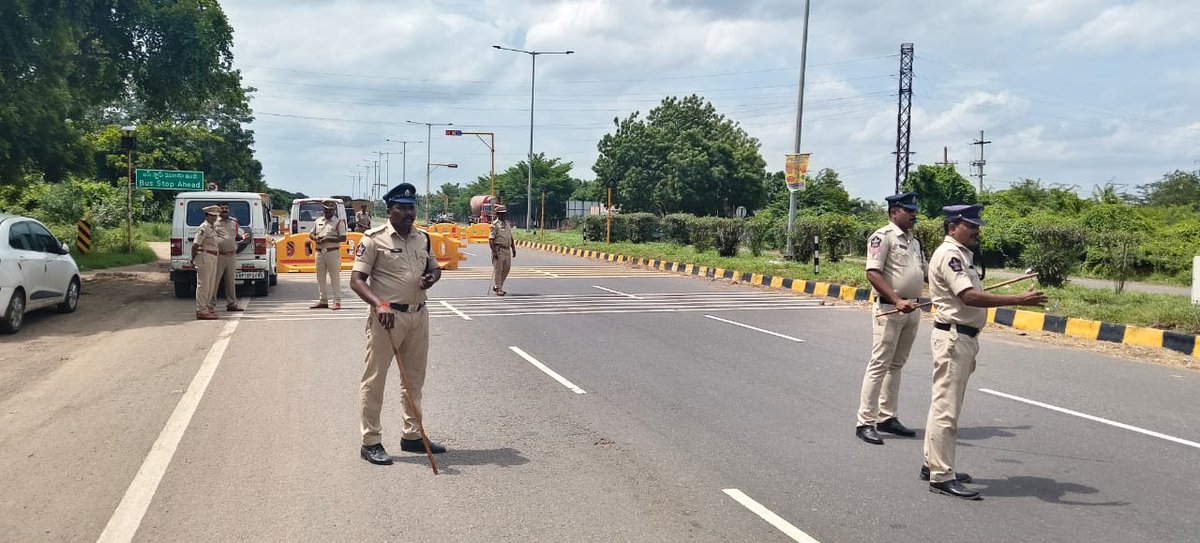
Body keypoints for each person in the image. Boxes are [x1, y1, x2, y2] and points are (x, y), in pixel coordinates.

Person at [924, 204, 1047, 500]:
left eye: (977, 225)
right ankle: (941, 475)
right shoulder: (951, 254)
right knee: (947, 409)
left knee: (942, 403)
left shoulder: (960, 254)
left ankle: (933, 463)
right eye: (970, 225)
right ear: (953, 227)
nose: (976, 230)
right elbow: (969, 296)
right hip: (954, 338)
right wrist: (1018, 299)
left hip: (959, 337)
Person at [350, 183, 445, 465]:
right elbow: (356, 280)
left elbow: (434, 267)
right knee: (375, 379)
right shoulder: (373, 239)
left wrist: (432, 277)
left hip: (418, 315)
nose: (408, 213)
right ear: (389, 210)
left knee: (414, 379)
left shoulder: (423, 238)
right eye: (401, 208)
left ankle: (412, 435)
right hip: (387, 319)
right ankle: (371, 441)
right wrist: (379, 304)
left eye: (411, 207)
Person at [856, 192, 925, 445]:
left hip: (913, 309)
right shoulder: (882, 237)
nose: (913, 214)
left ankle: (887, 416)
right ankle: (865, 421)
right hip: (891, 309)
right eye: (908, 210)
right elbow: (873, 273)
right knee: (879, 364)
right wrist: (896, 300)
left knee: (896, 365)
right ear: (894, 211)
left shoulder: (914, 241)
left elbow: (922, 273)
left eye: (914, 210)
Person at [310, 201, 347, 310]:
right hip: (319, 252)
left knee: (334, 277)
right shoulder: (318, 221)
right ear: (323, 210)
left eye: (330, 210)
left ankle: (337, 301)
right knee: (320, 278)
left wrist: (328, 238)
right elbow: (311, 233)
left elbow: (343, 238)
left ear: (334, 211)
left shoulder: (338, 222)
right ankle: (323, 300)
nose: (328, 212)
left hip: (332, 252)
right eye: (326, 210)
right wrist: (315, 238)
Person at [191, 205, 222, 320]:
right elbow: (195, 245)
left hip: (213, 256)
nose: (214, 218)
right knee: (203, 285)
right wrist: (193, 258)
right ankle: (201, 310)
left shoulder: (212, 227)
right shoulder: (204, 228)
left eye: (215, 216)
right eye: (211, 215)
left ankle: (207, 308)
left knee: (210, 285)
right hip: (205, 256)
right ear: (207, 216)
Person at [213, 203, 245, 312]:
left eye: (226, 208)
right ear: (218, 210)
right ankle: (210, 305)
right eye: (222, 208)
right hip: (219, 256)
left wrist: (243, 237)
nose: (224, 210)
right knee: (215, 281)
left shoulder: (233, 223)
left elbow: (235, 236)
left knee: (231, 282)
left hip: (231, 255)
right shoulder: (214, 222)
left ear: (229, 210)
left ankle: (232, 304)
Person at [489, 205, 515, 296]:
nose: (503, 215)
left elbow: (510, 236)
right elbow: (491, 239)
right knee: (498, 270)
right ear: (498, 214)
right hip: (498, 249)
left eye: (504, 213)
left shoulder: (507, 223)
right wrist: (494, 252)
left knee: (507, 268)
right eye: (501, 214)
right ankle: (498, 288)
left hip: (507, 250)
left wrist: (513, 248)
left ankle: (498, 286)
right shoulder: (494, 225)